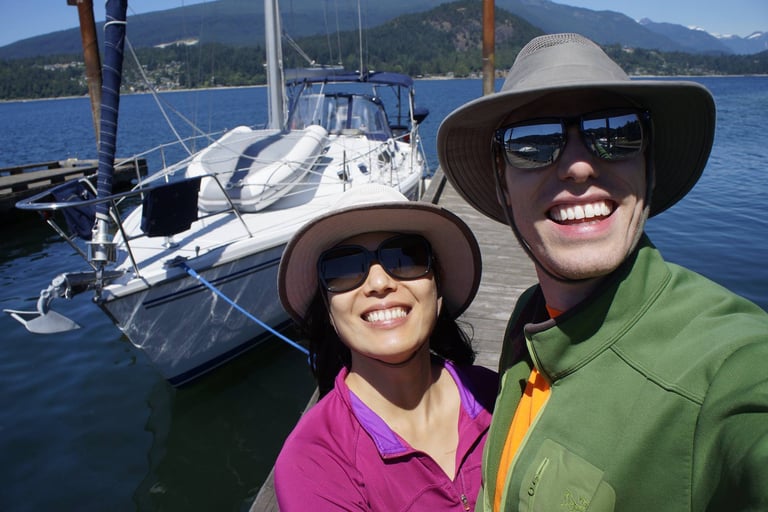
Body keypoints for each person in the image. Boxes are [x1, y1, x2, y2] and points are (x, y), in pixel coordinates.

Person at [437, 33, 768, 511]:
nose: (577, 165)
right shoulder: (530, 319)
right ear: (502, 185)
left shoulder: (727, 368)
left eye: (615, 132)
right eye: (533, 142)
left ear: (648, 165)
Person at [273, 184, 499, 510]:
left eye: (406, 257)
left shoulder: (496, 393)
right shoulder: (312, 461)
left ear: (437, 290)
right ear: (328, 310)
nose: (379, 283)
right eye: (344, 268)